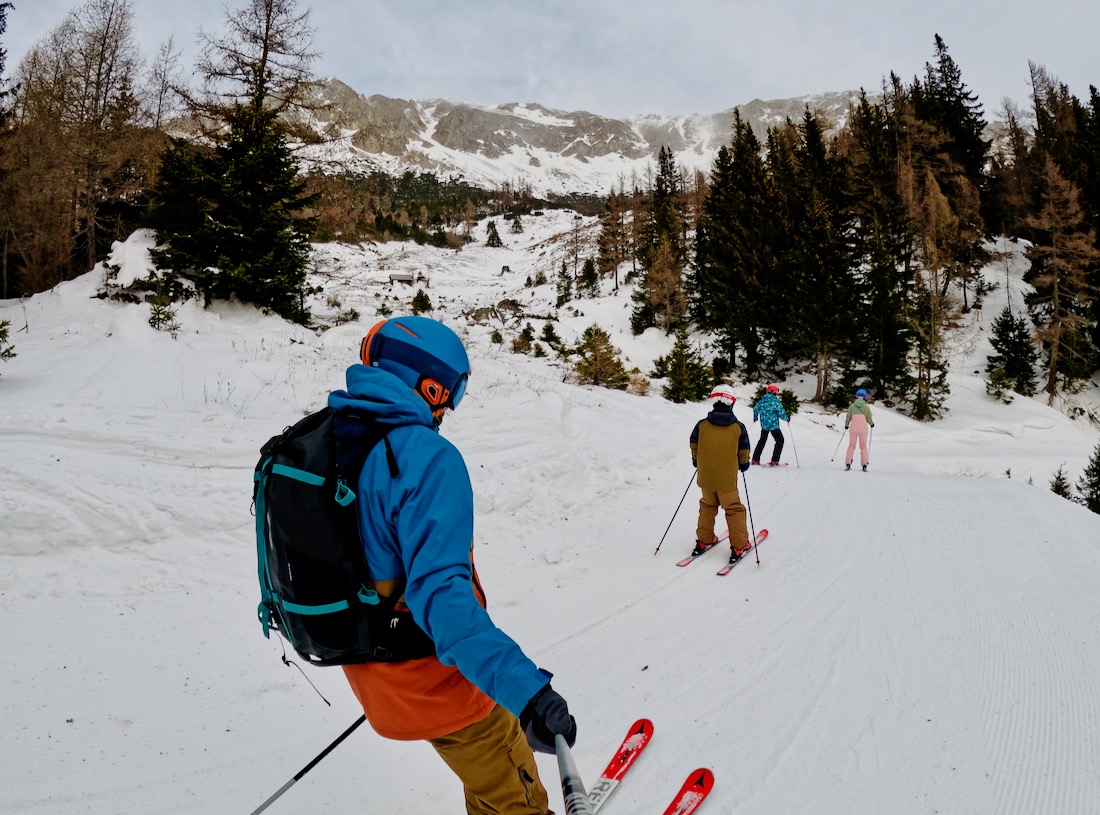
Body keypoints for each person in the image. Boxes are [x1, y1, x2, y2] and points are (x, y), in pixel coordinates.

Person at [329, 316, 576, 815]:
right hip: (439, 683)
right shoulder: (424, 456)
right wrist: (527, 692)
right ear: (429, 383)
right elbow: (442, 598)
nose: (450, 407)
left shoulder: (335, 440)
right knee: (516, 795)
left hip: (374, 679)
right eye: (452, 392)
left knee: (483, 780)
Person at [689, 384, 752, 563]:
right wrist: (744, 463)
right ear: (731, 402)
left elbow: (694, 444)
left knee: (708, 506)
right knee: (733, 509)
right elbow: (743, 449)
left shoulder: (702, 425)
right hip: (726, 480)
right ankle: (739, 546)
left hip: (706, 476)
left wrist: (696, 459)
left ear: (714, 401)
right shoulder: (738, 427)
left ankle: (704, 540)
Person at [751, 384, 789, 465]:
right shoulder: (775, 402)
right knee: (780, 440)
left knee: (762, 441)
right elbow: (781, 413)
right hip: (773, 425)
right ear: (775, 393)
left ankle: (755, 459)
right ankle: (775, 460)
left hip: (764, 425)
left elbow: (755, 409)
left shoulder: (762, 401)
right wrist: (787, 418)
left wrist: (755, 418)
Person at [844, 388, 874, 472]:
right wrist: (872, 424)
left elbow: (848, 417)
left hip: (853, 429)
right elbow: (869, 418)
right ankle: (864, 464)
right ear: (865, 397)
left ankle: (848, 463)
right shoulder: (866, 407)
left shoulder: (852, 406)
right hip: (863, 429)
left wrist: (846, 425)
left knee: (851, 446)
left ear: (856, 396)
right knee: (863, 446)